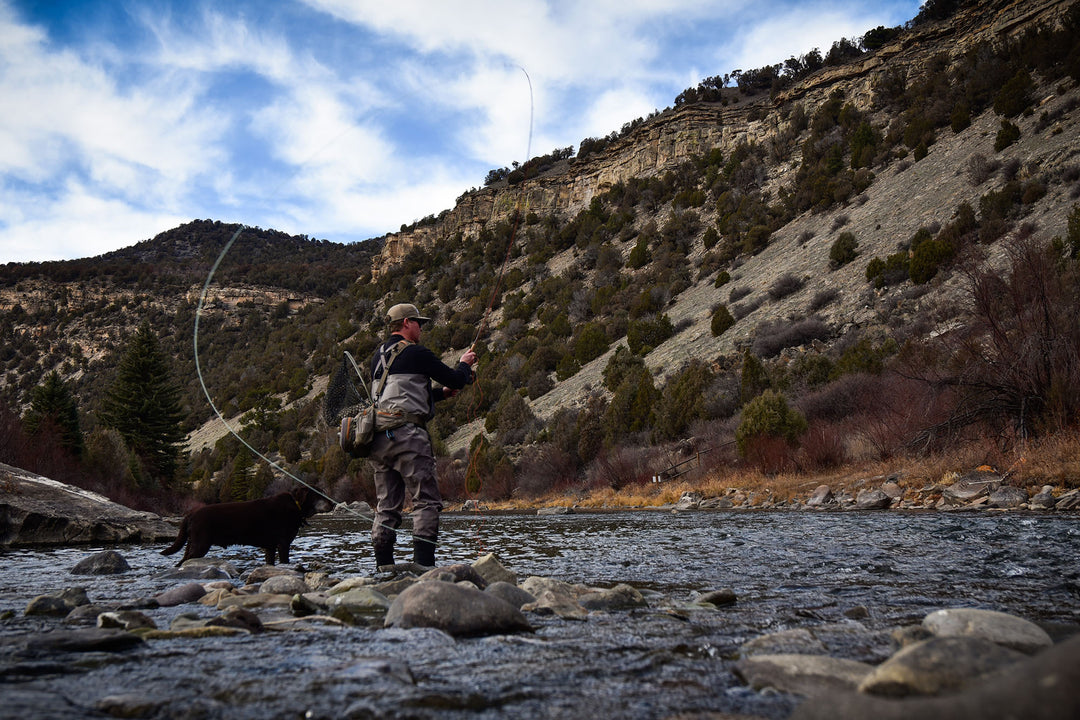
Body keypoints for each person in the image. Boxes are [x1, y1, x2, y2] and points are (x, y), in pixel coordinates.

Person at [367, 302, 476, 569]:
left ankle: (383, 568)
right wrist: (464, 364)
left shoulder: (377, 357)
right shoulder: (416, 352)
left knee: (386, 506)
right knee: (425, 500)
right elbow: (457, 379)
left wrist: (439, 395)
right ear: (406, 323)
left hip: (378, 439)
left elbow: (397, 395)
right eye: (419, 323)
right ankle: (425, 567)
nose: (421, 328)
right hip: (408, 437)